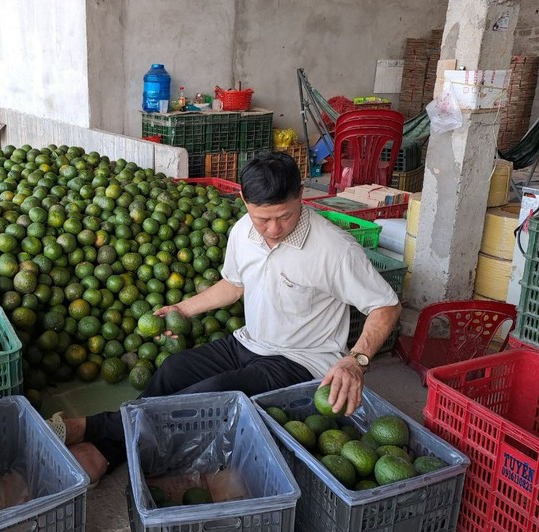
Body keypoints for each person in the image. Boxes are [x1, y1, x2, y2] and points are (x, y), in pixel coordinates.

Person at [50, 152, 402, 484]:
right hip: (250, 341)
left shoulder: (334, 249)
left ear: (300, 196)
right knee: (172, 372)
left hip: (301, 361)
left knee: (209, 395)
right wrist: (183, 308)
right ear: (245, 203)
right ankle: (107, 451)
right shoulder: (242, 233)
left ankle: (93, 430)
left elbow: (386, 305)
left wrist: (356, 360)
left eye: (285, 216)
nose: (274, 229)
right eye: (262, 218)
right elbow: (234, 285)